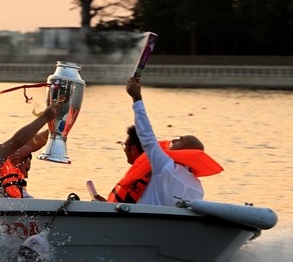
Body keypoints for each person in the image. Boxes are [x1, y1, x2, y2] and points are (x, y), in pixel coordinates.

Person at [93, 75, 222, 206]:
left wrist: (136, 98)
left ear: (186, 151)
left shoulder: (166, 166)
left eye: (180, 140)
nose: (173, 139)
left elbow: (147, 136)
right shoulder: (197, 187)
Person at [0, 102, 61, 197]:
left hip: (12, 208)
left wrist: (58, 124)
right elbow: (17, 141)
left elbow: (32, 144)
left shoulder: (3, 155)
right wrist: (45, 117)